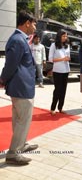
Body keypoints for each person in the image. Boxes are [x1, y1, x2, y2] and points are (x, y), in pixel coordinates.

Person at [0, 10, 38, 165]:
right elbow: (11, 64)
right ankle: (14, 153)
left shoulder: (20, 39)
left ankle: (21, 144)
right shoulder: (18, 40)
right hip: (21, 87)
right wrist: (2, 79)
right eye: (34, 23)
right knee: (23, 119)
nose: (35, 27)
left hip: (21, 86)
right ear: (27, 23)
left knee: (19, 119)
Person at [48, 29, 70, 115]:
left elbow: (68, 56)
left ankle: (60, 107)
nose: (65, 37)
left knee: (63, 90)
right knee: (57, 90)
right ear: (59, 36)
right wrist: (62, 59)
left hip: (66, 70)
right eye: (63, 36)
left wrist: (68, 58)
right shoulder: (54, 45)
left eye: (66, 36)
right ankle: (52, 108)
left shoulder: (67, 46)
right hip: (57, 71)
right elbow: (50, 59)